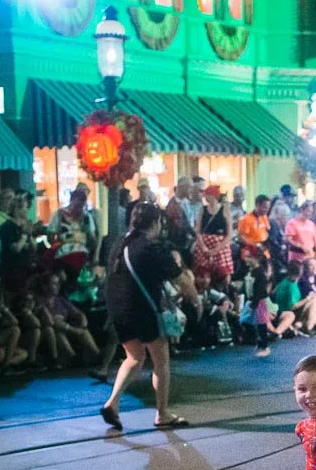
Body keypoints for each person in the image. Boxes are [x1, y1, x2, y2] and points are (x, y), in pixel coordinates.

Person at [99, 201, 187, 431]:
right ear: (155, 223)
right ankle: (162, 413)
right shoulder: (148, 247)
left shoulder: (119, 244)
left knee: (134, 356)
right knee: (161, 360)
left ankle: (113, 402)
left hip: (118, 309)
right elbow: (175, 274)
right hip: (143, 309)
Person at [191, 185, 233, 288]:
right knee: (203, 272)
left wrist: (216, 249)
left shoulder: (225, 210)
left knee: (224, 273)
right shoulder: (203, 209)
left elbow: (229, 234)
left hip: (221, 245)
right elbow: (198, 230)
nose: (205, 197)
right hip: (204, 244)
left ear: (213, 196)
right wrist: (203, 246)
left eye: (207, 194)